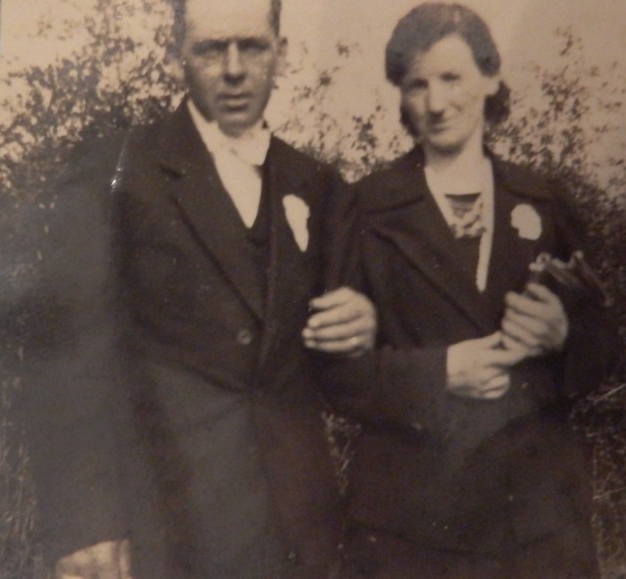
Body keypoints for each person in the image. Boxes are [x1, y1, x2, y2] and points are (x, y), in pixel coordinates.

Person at [50, 0, 376, 577]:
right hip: (170, 525)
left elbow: (344, 378)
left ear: (281, 53)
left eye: (252, 46)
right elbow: (69, 353)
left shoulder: (321, 187)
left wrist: (362, 324)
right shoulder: (114, 172)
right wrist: (88, 523)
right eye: (210, 49)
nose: (233, 69)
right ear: (175, 54)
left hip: (296, 528)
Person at [317, 3, 620, 578]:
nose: (436, 103)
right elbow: (335, 374)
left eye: (452, 78)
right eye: (417, 85)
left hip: (537, 525)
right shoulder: (364, 208)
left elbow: (604, 345)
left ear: (490, 78)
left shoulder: (543, 201)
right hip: (412, 527)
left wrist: (565, 334)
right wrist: (439, 374)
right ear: (401, 94)